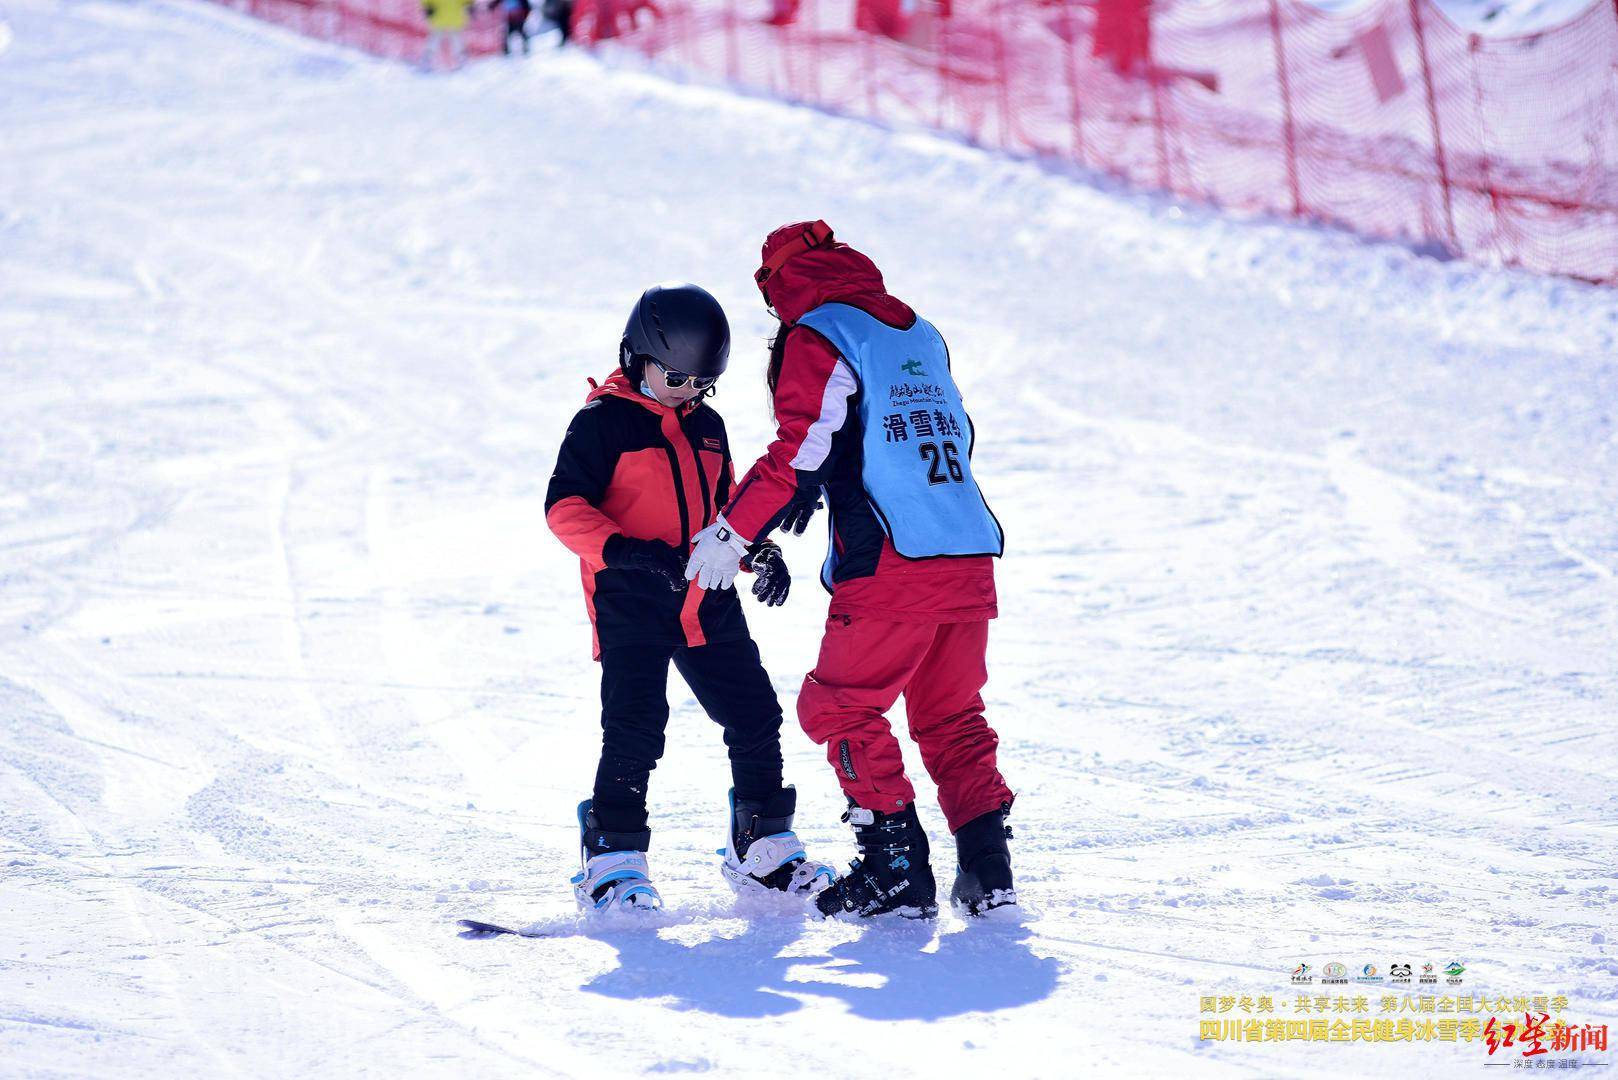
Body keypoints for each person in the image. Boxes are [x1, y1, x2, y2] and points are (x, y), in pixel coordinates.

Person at [684, 222, 1016, 919]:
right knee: (950, 714)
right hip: (967, 549)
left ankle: (896, 868)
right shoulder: (916, 331)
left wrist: (731, 532)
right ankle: (990, 872)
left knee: (837, 705)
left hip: (893, 561)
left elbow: (796, 449)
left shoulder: (821, 332)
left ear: (779, 286)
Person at [545, 282, 835, 912]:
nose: (688, 390)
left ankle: (761, 844)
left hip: (707, 597)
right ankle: (613, 857)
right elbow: (563, 509)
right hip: (632, 599)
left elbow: (725, 505)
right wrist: (622, 550)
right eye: (675, 375)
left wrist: (759, 552)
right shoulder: (602, 424)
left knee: (756, 716)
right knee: (636, 730)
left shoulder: (708, 426)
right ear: (637, 354)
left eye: (702, 381)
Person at [420, 0, 474, 70]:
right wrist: (427, 7)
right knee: (436, 37)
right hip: (440, 15)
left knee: (455, 38)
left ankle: (462, 59)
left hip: (452, 15)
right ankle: (427, 59)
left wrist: (469, 5)